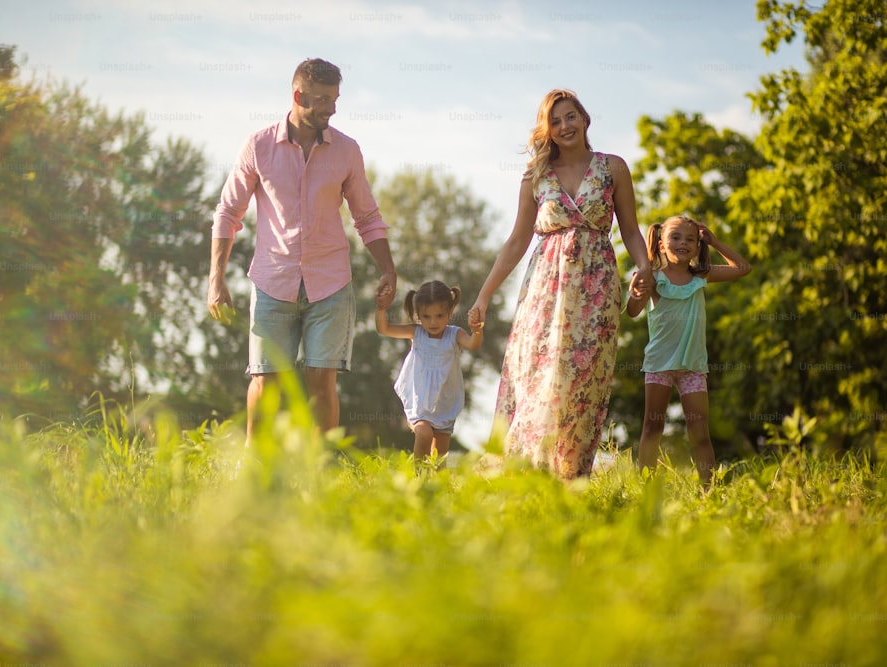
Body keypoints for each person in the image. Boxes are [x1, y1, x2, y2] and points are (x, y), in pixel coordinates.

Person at [207, 58, 397, 442]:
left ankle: (319, 471)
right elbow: (228, 212)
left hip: (330, 285)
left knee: (320, 383)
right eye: (324, 99)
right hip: (272, 283)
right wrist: (216, 279)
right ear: (298, 96)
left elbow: (367, 216)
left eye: (335, 99)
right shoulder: (259, 146)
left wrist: (387, 270)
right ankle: (255, 471)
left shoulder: (346, 151)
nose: (332, 108)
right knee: (266, 382)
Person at [468, 89, 653, 479]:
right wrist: (484, 296)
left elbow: (632, 231)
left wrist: (644, 269)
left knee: (581, 383)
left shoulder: (613, 168)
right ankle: (523, 475)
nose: (565, 126)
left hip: (596, 287)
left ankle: (571, 479)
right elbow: (517, 241)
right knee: (536, 377)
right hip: (544, 289)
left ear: (585, 119)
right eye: (555, 121)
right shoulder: (536, 177)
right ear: (546, 130)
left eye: (571, 117)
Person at [625, 215, 751, 486]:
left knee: (700, 433)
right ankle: (648, 490)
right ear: (661, 244)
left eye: (691, 239)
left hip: (693, 367)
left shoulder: (701, 276)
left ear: (697, 246)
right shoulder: (653, 278)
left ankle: (709, 491)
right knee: (652, 428)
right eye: (676, 237)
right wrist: (635, 292)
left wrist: (715, 241)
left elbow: (743, 267)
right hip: (659, 365)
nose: (683, 243)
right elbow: (633, 312)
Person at [376, 280, 485, 460]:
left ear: (450, 312)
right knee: (424, 434)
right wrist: (381, 309)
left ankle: (435, 485)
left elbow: (473, 344)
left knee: (439, 458)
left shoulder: (454, 334)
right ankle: (418, 478)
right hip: (420, 400)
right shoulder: (416, 333)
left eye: (439, 315)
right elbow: (384, 329)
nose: (433, 322)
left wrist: (477, 331)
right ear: (418, 315)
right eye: (426, 317)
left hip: (444, 401)